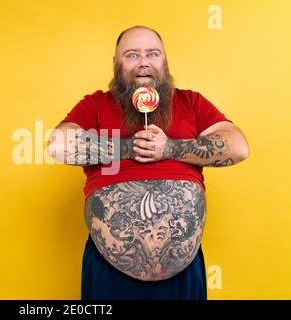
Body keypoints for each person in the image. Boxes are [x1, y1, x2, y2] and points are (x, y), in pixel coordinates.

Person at [47, 26, 249, 300]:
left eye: (152, 54)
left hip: (183, 273)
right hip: (109, 271)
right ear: (116, 64)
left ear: (164, 62)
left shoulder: (191, 102)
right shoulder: (96, 104)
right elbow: (58, 145)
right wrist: (129, 146)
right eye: (132, 55)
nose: (143, 62)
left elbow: (238, 147)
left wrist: (170, 148)